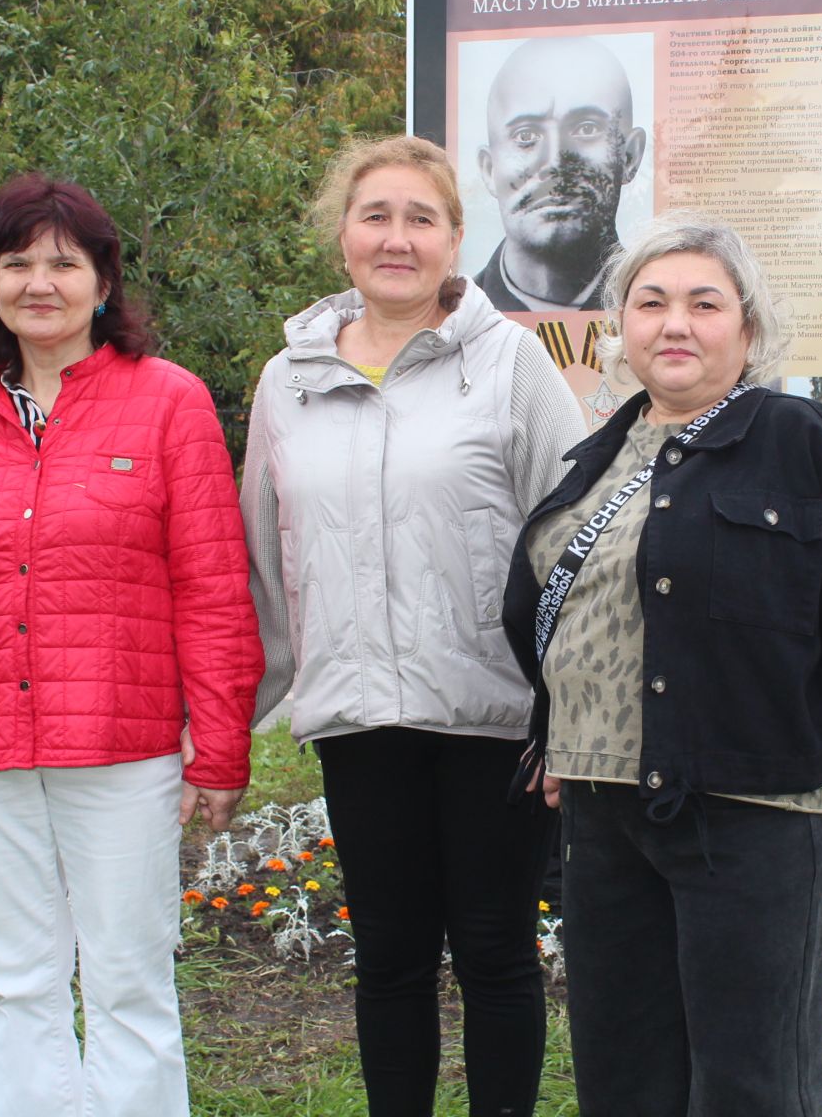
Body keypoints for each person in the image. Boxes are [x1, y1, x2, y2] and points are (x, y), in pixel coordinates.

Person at [501, 214, 822, 1117]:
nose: (676, 324)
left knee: (753, 1080)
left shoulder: (802, 439)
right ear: (622, 326)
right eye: (651, 302)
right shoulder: (598, 456)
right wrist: (559, 734)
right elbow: (556, 608)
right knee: (624, 1074)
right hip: (601, 810)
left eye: (705, 304)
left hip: (746, 808)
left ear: (747, 329)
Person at [0, 173, 263, 1117]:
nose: (39, 283)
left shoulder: (169, 403)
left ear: (104, 282)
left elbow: (213, 589)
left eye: (64, 263)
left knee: (129, 980)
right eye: (18, 263)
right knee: (12, 982)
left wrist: (220, 747)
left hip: (119, 747)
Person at [243, 136, 583, 1117]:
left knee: (495, 953)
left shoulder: (509, 362)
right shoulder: (288, 380)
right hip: (358, 721)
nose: (397, 239)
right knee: (389, 959)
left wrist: (572, 715)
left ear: (455, 239)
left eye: (420, 218)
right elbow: (262, 558)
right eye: (376, 216)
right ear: (343, 236)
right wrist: (230, 723)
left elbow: (574, 544)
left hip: (493, 720)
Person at [472, 36, 648, 311]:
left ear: (629, 157)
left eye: (586, 129)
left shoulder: (658, 312)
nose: (555, 162)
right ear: (489, 169)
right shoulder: (451, 319)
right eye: (526, 136)